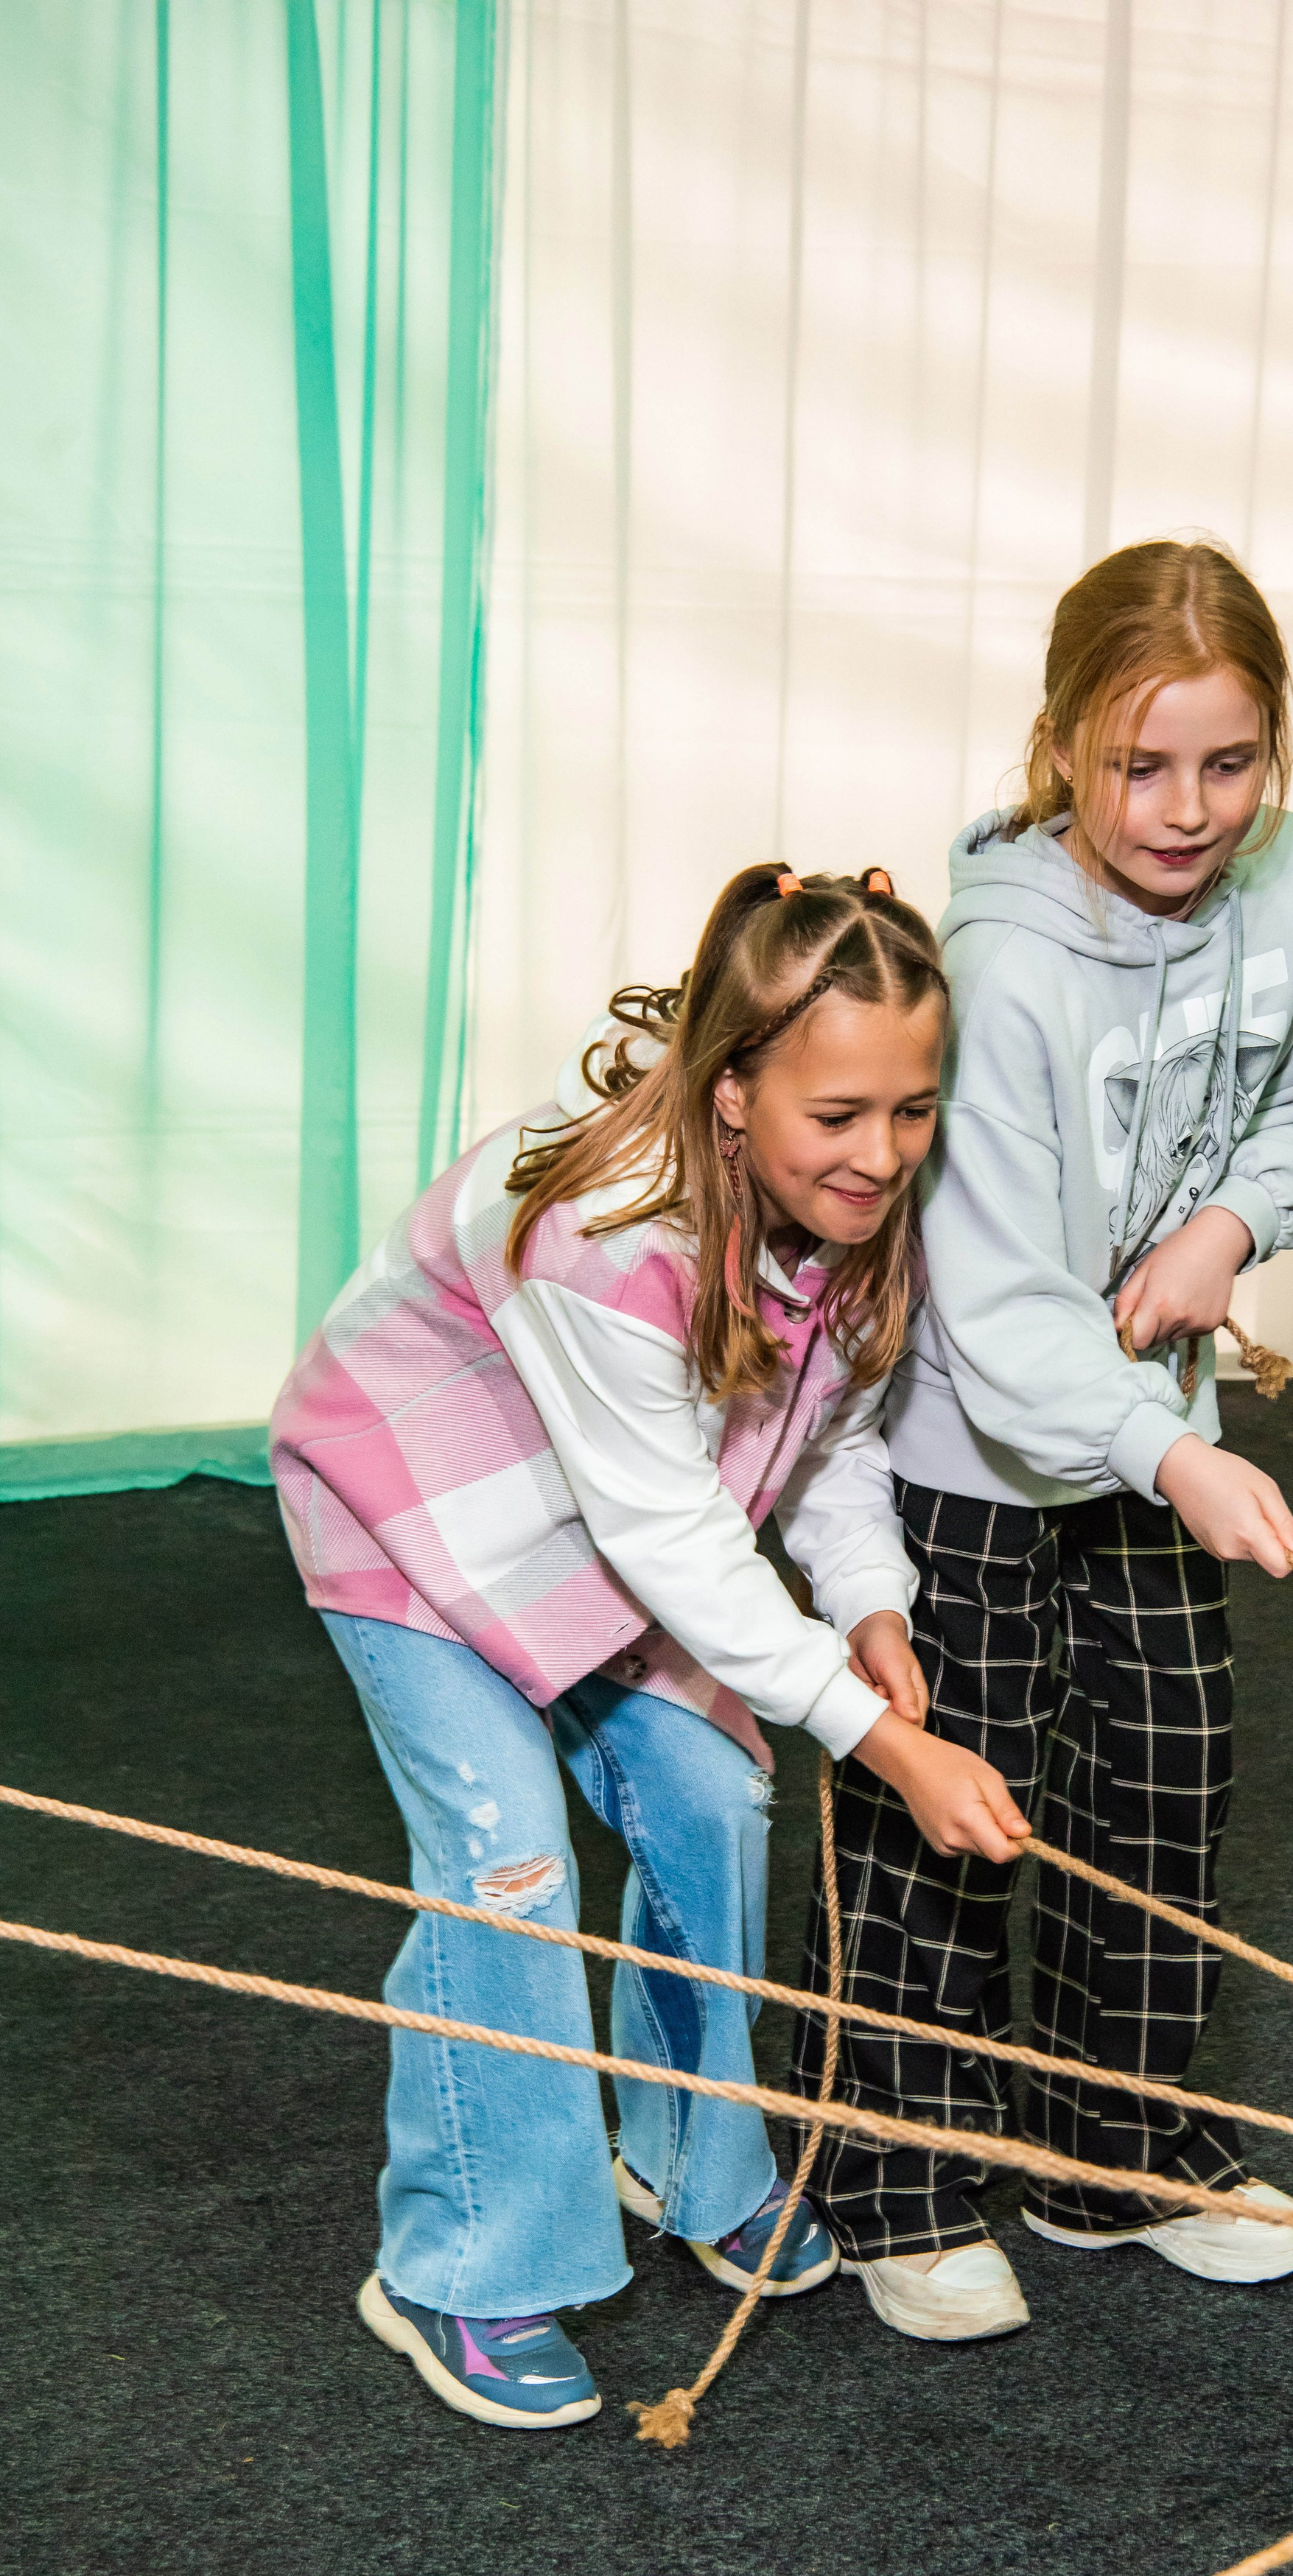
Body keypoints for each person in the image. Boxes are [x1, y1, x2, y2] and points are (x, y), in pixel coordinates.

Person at [269, 865, 1027, 2428]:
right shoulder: (610, 1235)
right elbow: (674, 1533)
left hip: (606, 1541)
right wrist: (874, 1732)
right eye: (839, 1115)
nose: (881, 1154)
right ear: (731, 1087)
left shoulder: (849, 1206)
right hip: (417, 1516)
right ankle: (459, 2264)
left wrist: (868, 1597)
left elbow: (829, 1439)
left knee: (712, 1804)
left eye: (911, 1108)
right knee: (507, 1863)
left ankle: (688, 2154)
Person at [789, 541, 1293, 2342]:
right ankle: (893, 2174)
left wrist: (1232, 1228)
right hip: (977, 1451)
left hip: (1150, 1432)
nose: (1187, 808)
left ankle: (1109, 2150)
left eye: (1229, 763)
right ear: (1059, 745)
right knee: (950, 1807)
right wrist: (1176, 1453)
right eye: (1139, 765)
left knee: (1163, 1785)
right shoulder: (1001, 961)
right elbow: (996, 1307)